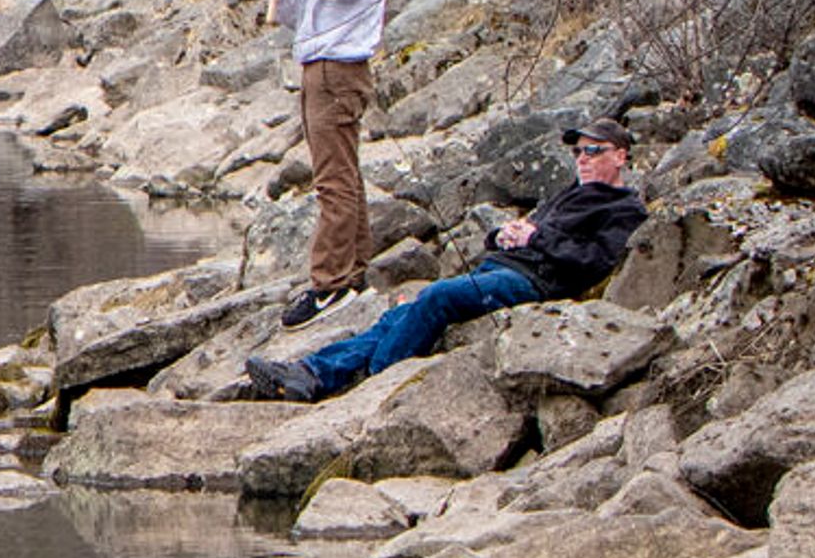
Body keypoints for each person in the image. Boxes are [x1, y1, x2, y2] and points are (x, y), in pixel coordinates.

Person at [249, 117, 648, 401]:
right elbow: (512, 236)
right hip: (505, 266)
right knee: (397, 315)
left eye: (594, 150)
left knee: (436, 297)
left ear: (621, 157)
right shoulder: (567, 193)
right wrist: (502, 234)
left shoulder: (623, 209)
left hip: (537, 283)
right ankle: (311, 373)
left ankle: (378, 381)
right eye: (579, 151)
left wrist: (538, 237)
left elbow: (596, 260)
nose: (582, 158)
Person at [258, 0, 392, 326]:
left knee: (332, 179)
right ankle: (352, 271)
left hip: (341, 68)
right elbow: (298, 12)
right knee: (343, 173)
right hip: (317, 64)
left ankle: (331, 283)